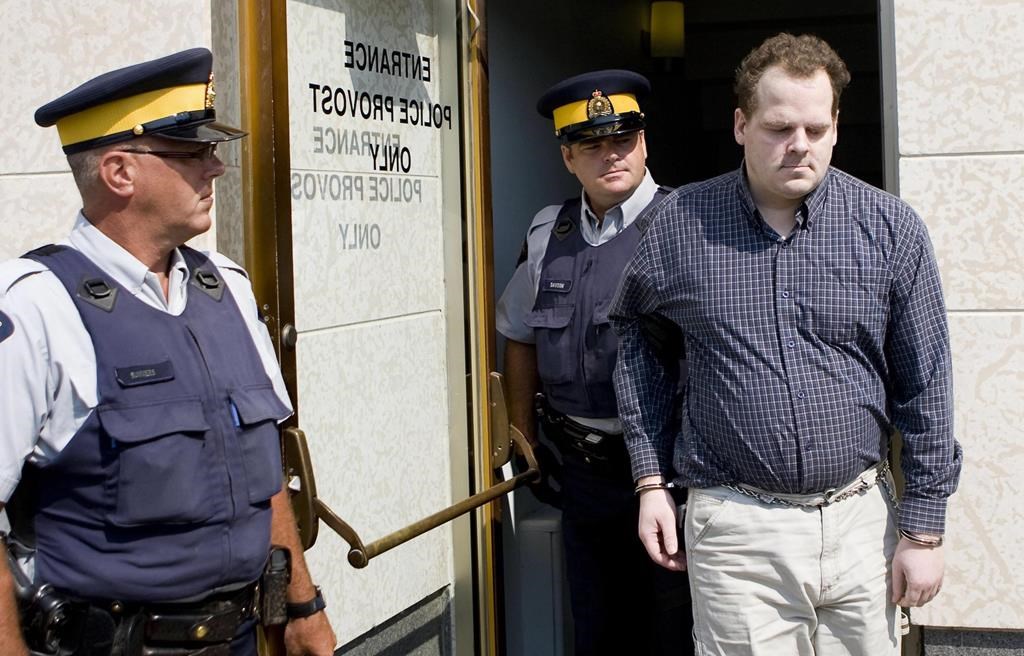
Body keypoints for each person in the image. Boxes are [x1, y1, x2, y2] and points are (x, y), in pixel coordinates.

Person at [610, 33, 963, 655]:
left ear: (834, 128)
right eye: (779, 127)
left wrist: (925, 530)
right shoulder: (680, 224)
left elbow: (926, 386)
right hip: (735, 529)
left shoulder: (889, 229)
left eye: (816, 127)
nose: (799, 144)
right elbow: (638, 341)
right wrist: (649, 481)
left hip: (862, 526)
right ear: (741, 124)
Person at [0, 48, 336, 655]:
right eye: (193, 152)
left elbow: (264, 473)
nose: (217, 167)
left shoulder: (225, 288)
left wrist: (303, 605)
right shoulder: (36, 307)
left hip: (237, 637)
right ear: (120, 173)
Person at [497, 69, 692, 655]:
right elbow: (519, 334)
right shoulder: (546, 234)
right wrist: (522, 440)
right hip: (581, 472)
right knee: (597, 628)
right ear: (567, 157)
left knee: (674, 630)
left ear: (644, 143)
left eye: (622, 140)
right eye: (591, 145)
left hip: (674, 471)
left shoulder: (688, 226)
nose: (611, 156)